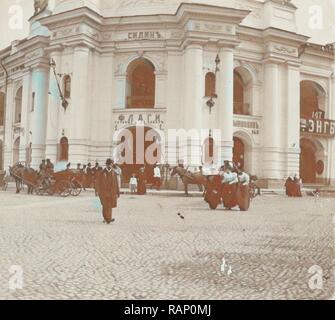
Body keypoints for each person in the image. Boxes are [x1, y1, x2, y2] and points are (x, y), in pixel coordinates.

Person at [95, 159, 120, 224]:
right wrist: (97, 191)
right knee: (105, 205)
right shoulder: (101, 173)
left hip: (111, 192)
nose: (110, 166)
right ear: (106, 164)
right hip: (103, 191)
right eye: (108, 164)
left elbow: (116, 183)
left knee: (110, 205)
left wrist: (117, 192)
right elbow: (97, 182)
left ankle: (108, 218)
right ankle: (106, 218)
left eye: (111, 164)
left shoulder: (114, 173)